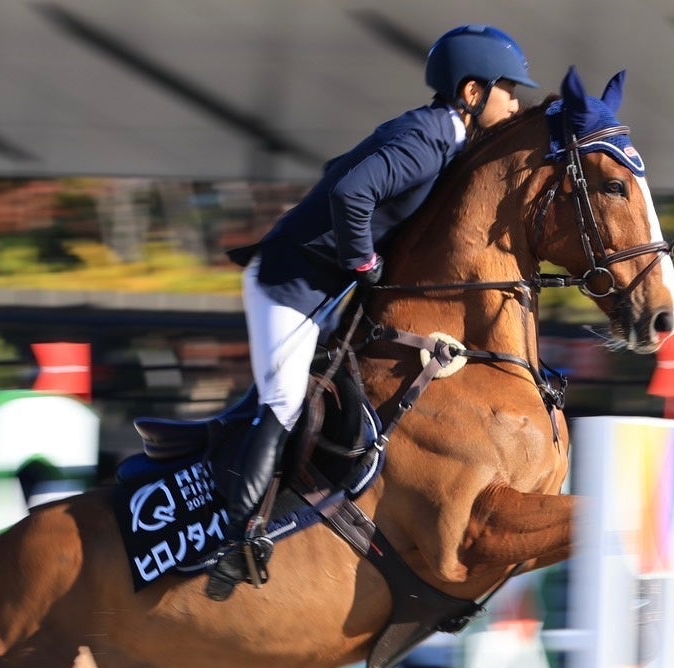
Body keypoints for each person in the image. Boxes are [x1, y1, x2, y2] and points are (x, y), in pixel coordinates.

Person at [211, 25, 537, 589]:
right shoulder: (429, 138)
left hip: (320, 285)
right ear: (471, 93)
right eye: (507, 88)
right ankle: (235, 537)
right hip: (288, 284)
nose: (516, 100)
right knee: (285, 402)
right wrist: (363, 260)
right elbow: (349, 192)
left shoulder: (444, 137)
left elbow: (339, 168)